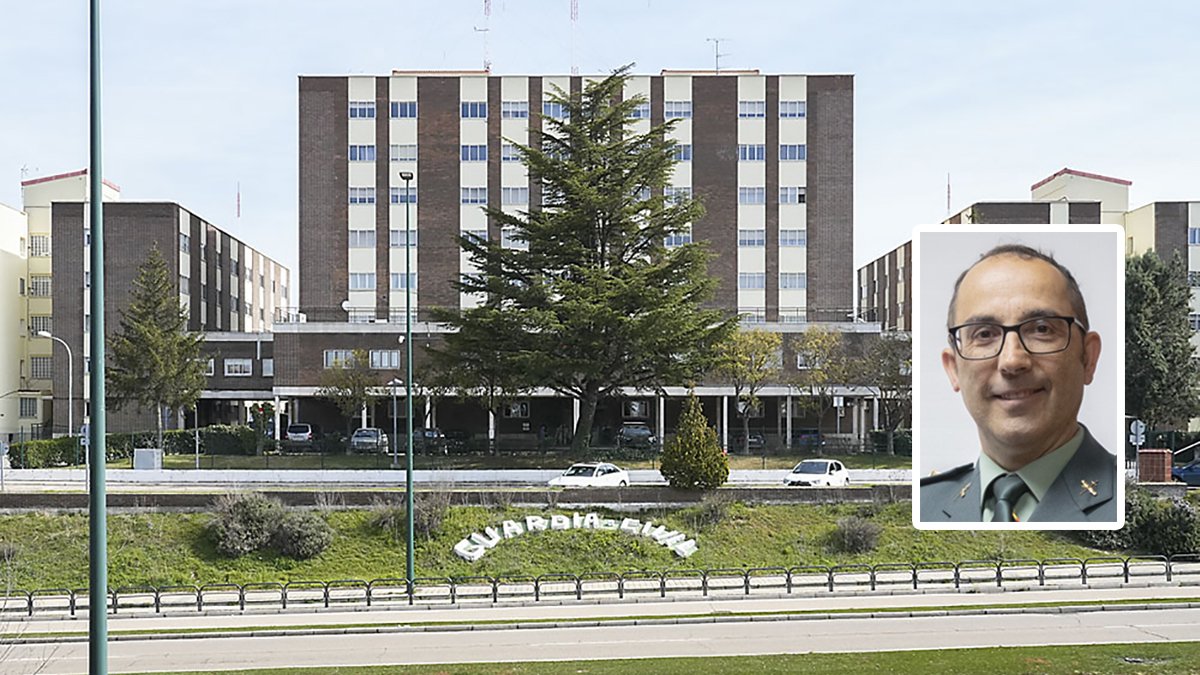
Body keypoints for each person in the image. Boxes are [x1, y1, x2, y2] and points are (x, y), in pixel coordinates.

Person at [920, 244, 1117, 523]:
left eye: (1041, 329)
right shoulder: (924, 505)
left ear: (1088, 357)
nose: (1012, 361)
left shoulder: (1133, 504)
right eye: (985, 334)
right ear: (953, 369)